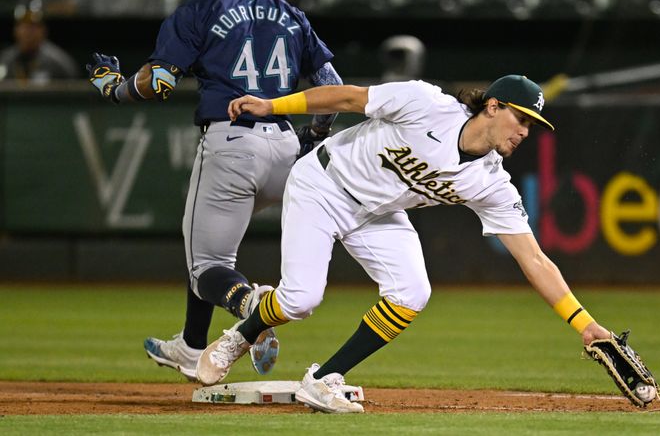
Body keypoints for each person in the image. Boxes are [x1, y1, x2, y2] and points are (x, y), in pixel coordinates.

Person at [196, 75, 613, 413]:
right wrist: (273, 106)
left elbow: (534, 259)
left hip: (377, 213)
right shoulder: (426, 103)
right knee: (301, 300)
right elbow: (348, 98)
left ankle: (323, 379)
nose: (525, 131)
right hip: (324, 184)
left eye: (532, 126)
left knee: (413, 292)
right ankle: (244, 332)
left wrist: (585, 325)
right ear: (493, 106)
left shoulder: (492, 182)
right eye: (520, 119)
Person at [85, 0, 342, 381]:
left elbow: (159, 83)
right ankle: (191, 345)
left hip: (232, 142)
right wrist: (313, 135)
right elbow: (331, 84)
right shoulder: (284, 7)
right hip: (286, 149)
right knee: (202, 246)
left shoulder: (200, 8)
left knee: (206, 267)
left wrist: (115, 88)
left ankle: (255, 310)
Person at [0, 3, 79, 85]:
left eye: (33, 27)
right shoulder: (5, 60)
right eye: (24, 26)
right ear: (15, 30)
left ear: (43, 31)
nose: (28, 32)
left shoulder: (58, 63)